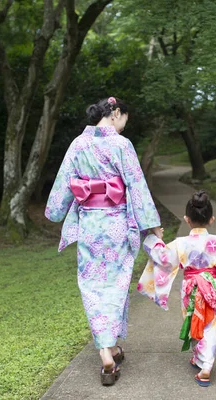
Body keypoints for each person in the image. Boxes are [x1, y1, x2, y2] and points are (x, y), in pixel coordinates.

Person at [45, 97, 163, 386]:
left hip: (89, 226)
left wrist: (55, 211)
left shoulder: (77, 144)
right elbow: (136, 185)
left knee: (92, 287)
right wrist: (153, 225)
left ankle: (107, 352)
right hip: (117, 226)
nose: (124, 126)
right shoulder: (122, 146)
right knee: (116, 285)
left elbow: (62, 187)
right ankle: (109, 353)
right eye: (124, 119)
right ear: (116, 113)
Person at [137, 190, 216, 387]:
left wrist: (152, 240)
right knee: (210, 325)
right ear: (211, 219)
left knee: (192, 319)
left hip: (190, 289)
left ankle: (205, 365)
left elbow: (163, 258)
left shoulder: (181, 243)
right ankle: (202, 361)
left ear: (187, 219)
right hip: (211, 287)